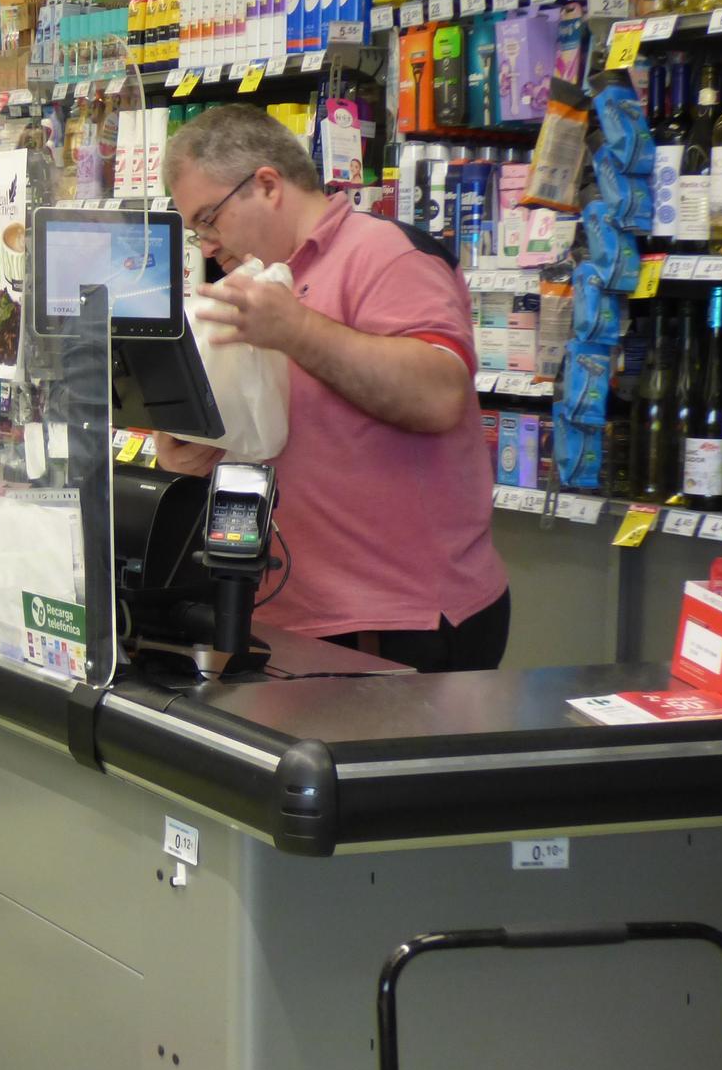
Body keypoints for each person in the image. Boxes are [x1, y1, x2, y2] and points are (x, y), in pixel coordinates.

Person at [156, 105, 509, 672]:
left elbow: (439, 394)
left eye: (210, 218)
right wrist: (198, 443)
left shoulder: (386, 255)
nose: (205, 244)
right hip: (287, 614)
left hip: (396, 625)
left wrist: (296, 330)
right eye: (195, 229)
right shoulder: (254, 282)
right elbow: (285, 430)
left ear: (267, 185)